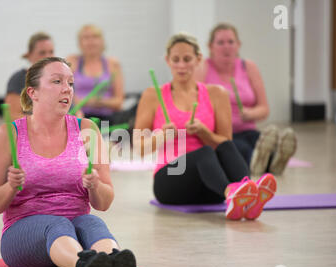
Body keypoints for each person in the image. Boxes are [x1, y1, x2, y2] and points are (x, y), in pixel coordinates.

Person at [0, 57, 136, 267]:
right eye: (57, 81)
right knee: (57, 223)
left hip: (75, 232)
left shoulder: (87, 130)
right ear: (33, 92)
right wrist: (10, 187)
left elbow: (103, 203)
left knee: (92, 222)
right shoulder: (8, 135)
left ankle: (111, 266)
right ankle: (85, 266)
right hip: (22, 237)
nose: (67, 89)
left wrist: (95, 185)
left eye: (70, 83)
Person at [133, 33, 277, 221]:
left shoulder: (216, 94)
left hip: (211, 184)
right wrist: (161, 136)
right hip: (171, 181)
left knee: (226, 146)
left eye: (187, 59)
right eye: (176, 60)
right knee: (205, 153)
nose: (181, 65)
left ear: (198, 59)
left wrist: (204, 133)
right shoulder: (153, 95)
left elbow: (225, 143)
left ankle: (247, 196)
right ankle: (235, 193)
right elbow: (139, 148)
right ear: (168, 61)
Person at [195, 22, 296, 176]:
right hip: (222, 133)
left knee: (257, 141)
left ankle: (269, 160)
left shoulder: (248, 67)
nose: (226, 47)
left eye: (231, 42)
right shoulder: (202, 68)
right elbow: (194, 106)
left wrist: (250, 113)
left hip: (248, 129)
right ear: (210, 46)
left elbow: (264, 109)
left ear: (238, 45)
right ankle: (268, 162)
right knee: (239, 148)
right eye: (220, 42)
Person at [66, 24, 128, 124]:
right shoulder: (72, 62)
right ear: (80, 43)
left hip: (107, 119)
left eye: (95, 37)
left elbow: (119, 101)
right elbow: (66, 95)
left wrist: (99, 103)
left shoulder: (113, 64)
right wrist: (84, 103)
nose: (91, 41)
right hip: (79, 116)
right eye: (86, 38)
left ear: (102, 41)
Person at [4, 32, 55, 121]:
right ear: (30, 55)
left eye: (51, 52)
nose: (48, 57)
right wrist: (44, 123)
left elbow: (75, 111)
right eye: (42, 53)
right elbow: (12, 116)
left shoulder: (60, 78)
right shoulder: (18, 79)